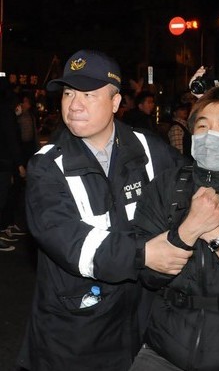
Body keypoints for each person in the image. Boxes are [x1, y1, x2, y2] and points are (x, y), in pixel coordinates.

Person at [17, 49, 188, 371]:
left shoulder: (149, 149)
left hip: (143, 323)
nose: (74, 104)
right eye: (68, 93)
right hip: (77, 330)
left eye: (88, 94)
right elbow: (68, 240)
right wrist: (144, 254)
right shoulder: (47, 165)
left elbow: (189, 187)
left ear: (115, 102)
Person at [129, 85, 219, 371]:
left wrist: (216, 233)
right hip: (162, 349)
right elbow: (147, 273)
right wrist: (190, 229)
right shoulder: (166, 185)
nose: (211, 135)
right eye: (203, 126)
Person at [0, 72, 25, 252]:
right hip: (3, 162)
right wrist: (19, 164)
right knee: (2, 198)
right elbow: (11, 139)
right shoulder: (5, 111)